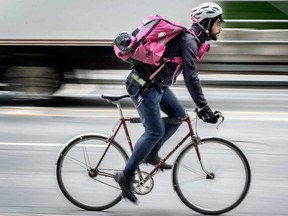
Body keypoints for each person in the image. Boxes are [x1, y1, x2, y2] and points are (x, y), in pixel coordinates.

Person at [114, 2, 224, 203]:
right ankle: (125, 175)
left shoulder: (192, 40)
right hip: (141, 84)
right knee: (154, 131)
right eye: (218, 23)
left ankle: (151, 153)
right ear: (207, 22)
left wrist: (202, 106)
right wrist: (203, 107)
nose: (221, 28)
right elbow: (191, 76)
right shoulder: (189, 41)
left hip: (156, 85)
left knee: (179, 117)